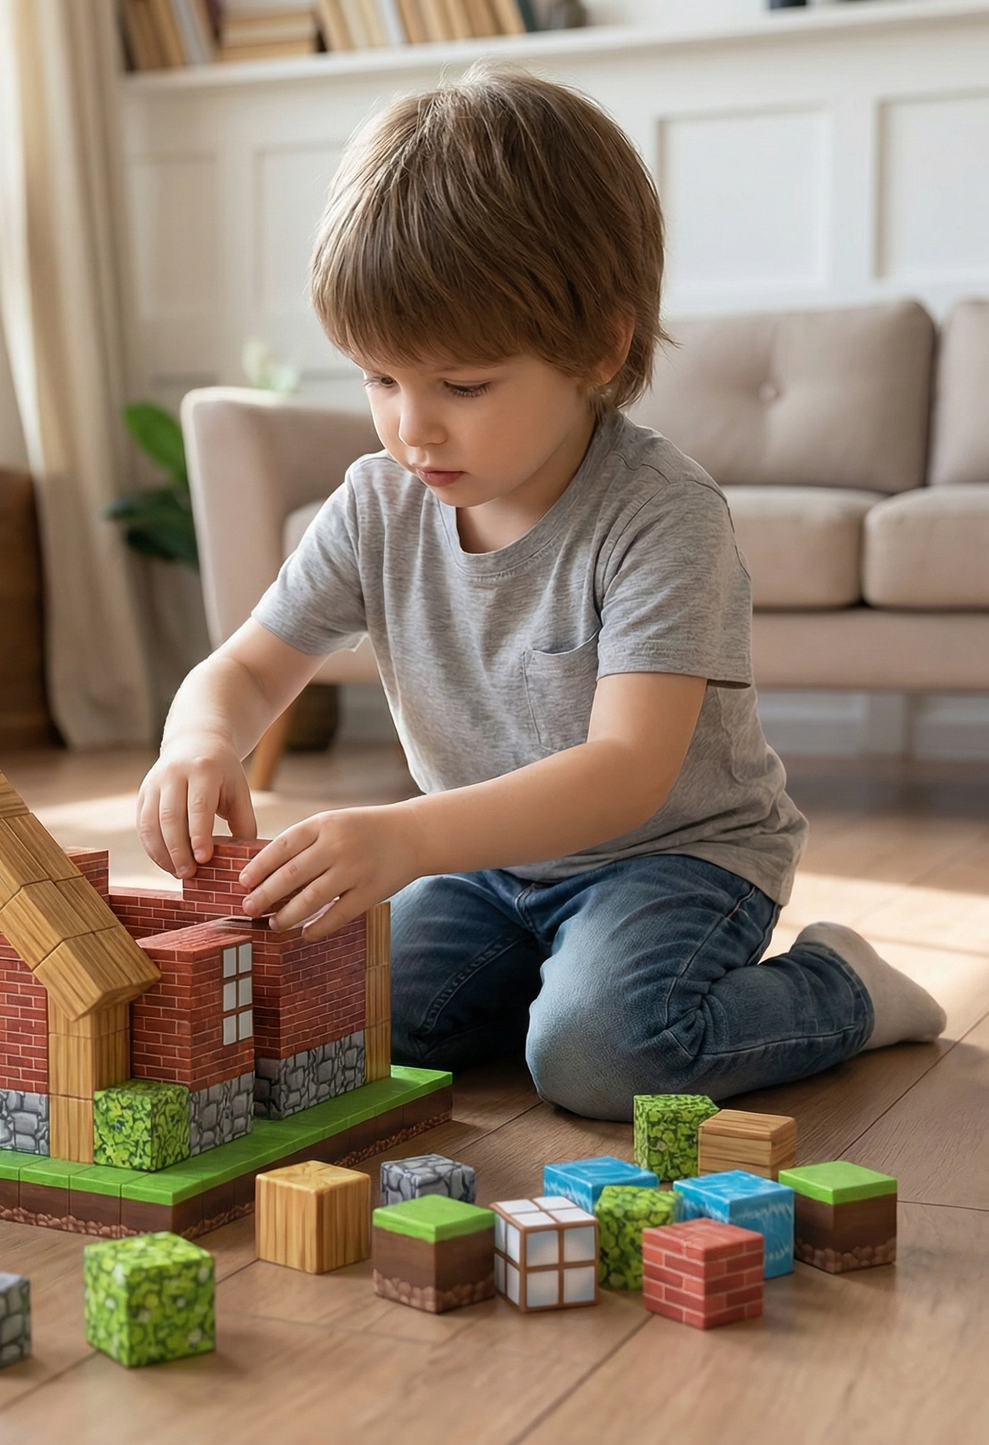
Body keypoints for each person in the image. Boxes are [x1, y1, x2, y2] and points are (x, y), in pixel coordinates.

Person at [135, 65, 945, 1120]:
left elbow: (622, 774)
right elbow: (244, 666)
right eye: (379, 378)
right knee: (351, 1017)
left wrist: (406, 837)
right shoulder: (379, 503)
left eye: (461, 386)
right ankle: (548, 975)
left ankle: (839, 986)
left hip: (673, 856)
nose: (410, 427)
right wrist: (196, 739)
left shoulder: (663, 513)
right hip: (485, 866)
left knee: (602, 1056)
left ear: (597, 347)